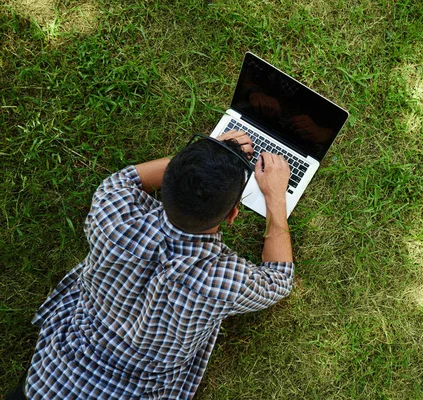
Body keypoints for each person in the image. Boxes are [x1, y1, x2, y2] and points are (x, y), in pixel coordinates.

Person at [7, 130, 294, 399]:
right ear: (232, 215)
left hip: (48, 382)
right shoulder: (222, 281)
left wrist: (203, 156)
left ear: (165, 183)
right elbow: (278, 279)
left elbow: (125, 178)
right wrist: (275, 197)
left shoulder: (112, 214)